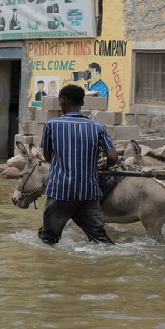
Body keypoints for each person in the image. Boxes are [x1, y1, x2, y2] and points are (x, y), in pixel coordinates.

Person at [38, 85, 119, 245]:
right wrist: (105, 166)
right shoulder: (98, 127)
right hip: (88, 193)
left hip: (60, 192)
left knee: (48, 240)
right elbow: (113, 157)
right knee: (101, 241)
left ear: (61, 102)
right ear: (82, 102)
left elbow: (47, 156)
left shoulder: (51, 126)